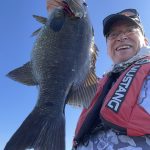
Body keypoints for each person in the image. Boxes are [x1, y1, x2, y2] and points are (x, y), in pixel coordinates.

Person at [47, 1, 150, 149]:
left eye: (130, 30)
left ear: (145, 41)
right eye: (113, 34)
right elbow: (62, 62)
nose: (121, 37)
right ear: (107, 46)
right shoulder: (96, 85)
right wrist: (58, 18)